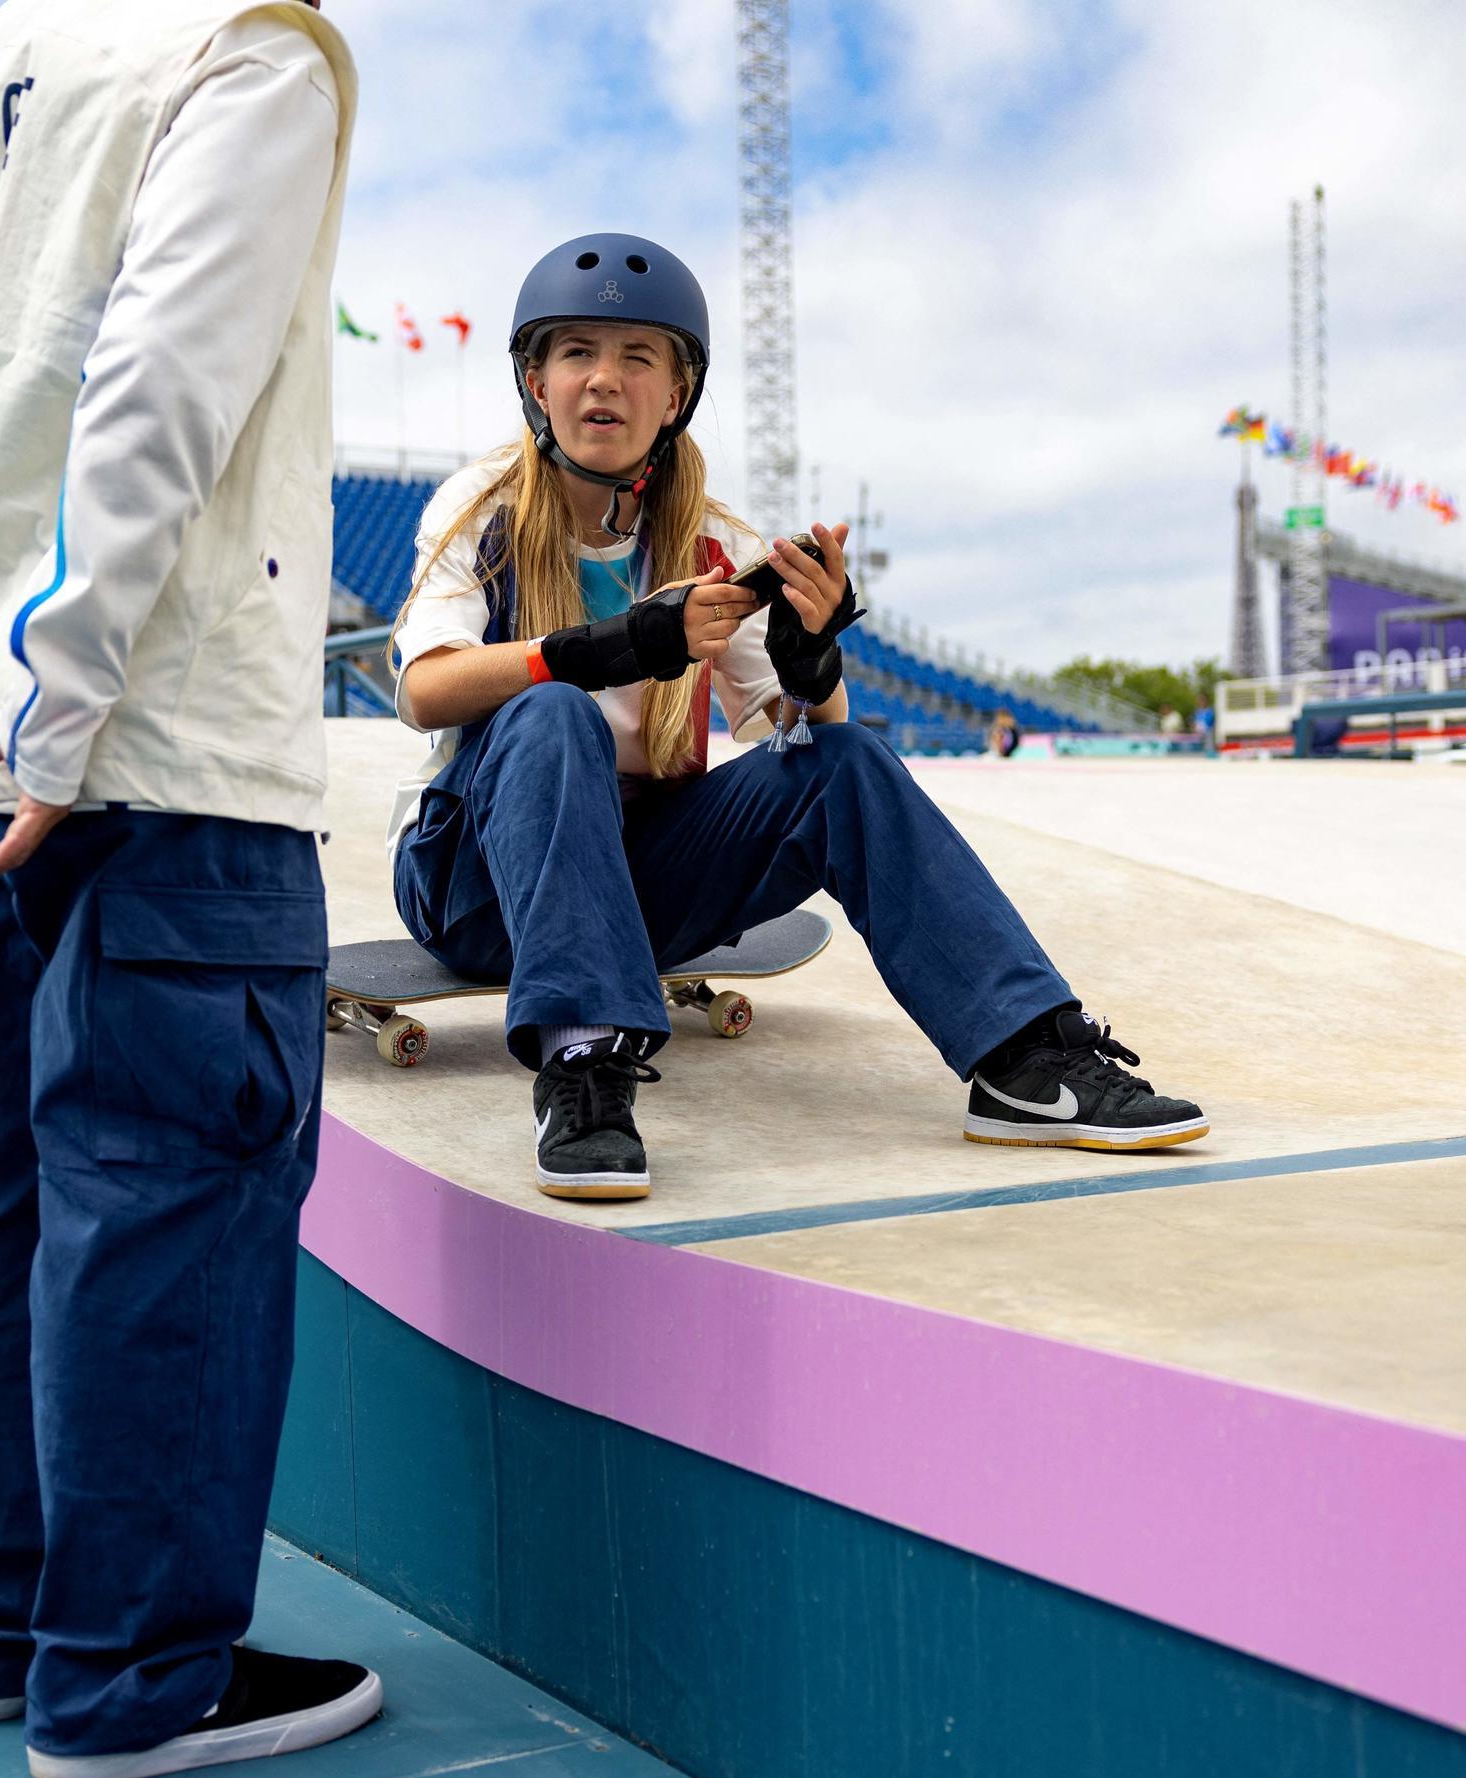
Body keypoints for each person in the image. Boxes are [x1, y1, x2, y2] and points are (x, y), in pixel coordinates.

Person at [0, 0, 374, 1778]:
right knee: (161, 1197)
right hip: (156, 738)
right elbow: (165, 372)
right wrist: (73, 681)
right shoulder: (244, 48)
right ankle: (129, 1673)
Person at [389, 233, 1209, 1203]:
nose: (603, 380)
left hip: (634, 882)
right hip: (476, 882)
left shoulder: (712, 540)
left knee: (848, 758)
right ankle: (582, 1067)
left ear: (677, 390)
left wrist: (811, 657)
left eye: (636, 356)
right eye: (576, 351)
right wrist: (604, 646)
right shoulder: (479, 504)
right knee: (552, 713)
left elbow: (797, 735)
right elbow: (423, 688)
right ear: (536, 379)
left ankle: (1024, 1060)